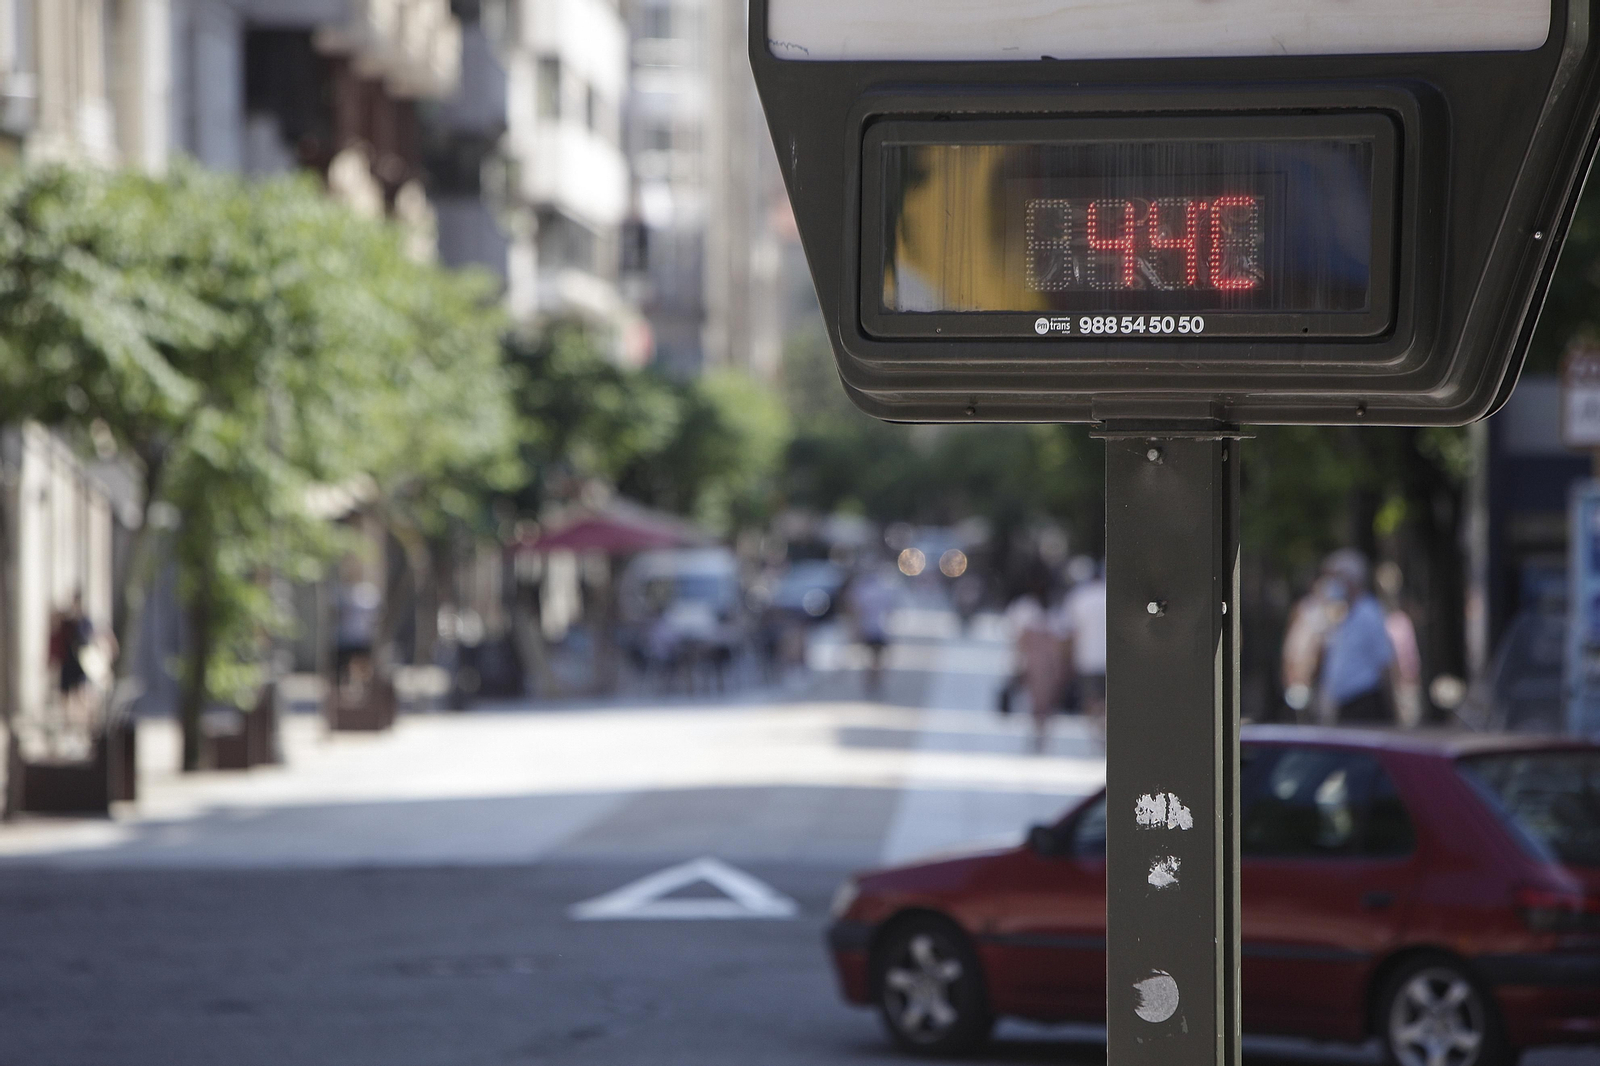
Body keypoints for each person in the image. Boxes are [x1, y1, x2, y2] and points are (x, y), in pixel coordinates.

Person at [1317, 550, 1396, 724]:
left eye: (1336, 577)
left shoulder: (1369, 613)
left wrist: (1392, 709)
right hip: (1346, 705)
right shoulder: (1346, 615)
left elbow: (1385, 662)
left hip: (1364, 704)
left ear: (1351, 580)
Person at [1006, 568, 1067, 753]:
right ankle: (1038, 730)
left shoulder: (1052, 609)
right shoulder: (1026, 607)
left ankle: (1041, 730)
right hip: (1035, 662)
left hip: (1044, 662)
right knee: (1037, 700)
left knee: (1044, 701)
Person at [1060, 558, 1108, 740]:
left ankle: (1097, 732)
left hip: (1086, 659)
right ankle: (1104, 729)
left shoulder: (1078, 597)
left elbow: (1069, 631)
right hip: (1110, 659)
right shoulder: (1109, 595)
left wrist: (1066, 659)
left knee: (1091, 699)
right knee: (1108, 698)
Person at [848, 565, 899, 697]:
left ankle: (871, 683)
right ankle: (873, 683)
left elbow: (855, 611)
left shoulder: (862, 590)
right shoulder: (883, 589)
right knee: (875, 659)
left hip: (871, 629)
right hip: (878, 629)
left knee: (871, 659)